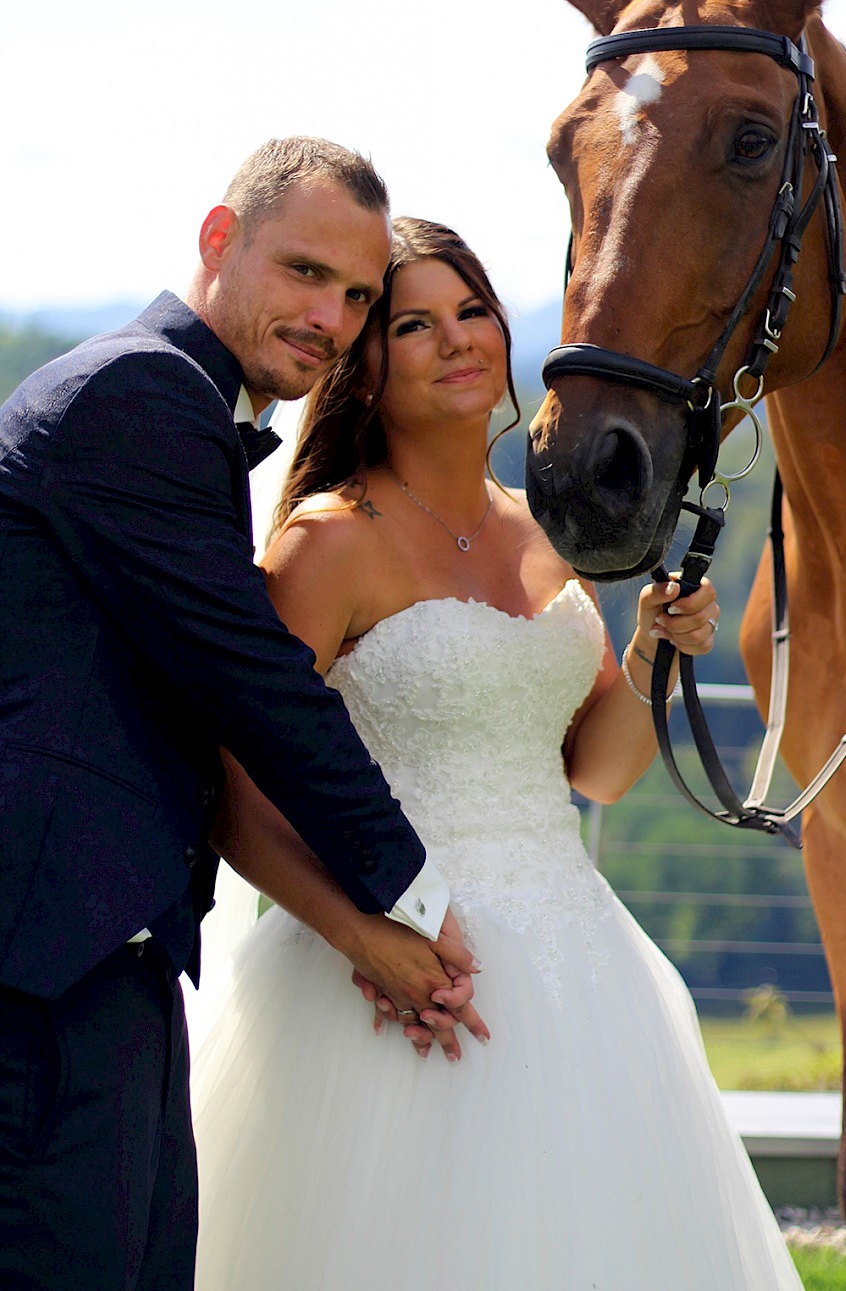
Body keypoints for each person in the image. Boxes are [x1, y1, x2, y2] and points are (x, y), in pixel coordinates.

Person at [190, 217, 804, 1289]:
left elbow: (597, 772)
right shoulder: (330, 540)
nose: (459, 339)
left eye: (471, 309)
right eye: (415, 323)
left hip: (579, 969)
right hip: (390, 976)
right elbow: (235, 791)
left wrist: (655, 644)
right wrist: (364, 940)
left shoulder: (547, 533)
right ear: (363, 367)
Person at [0, 147, 479, 1291]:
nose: (331, 317)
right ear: (219, 240)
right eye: (305, 271)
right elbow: (257, 684)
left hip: (114, 949)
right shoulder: (135, 395)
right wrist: (414, 897)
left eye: (358, 297)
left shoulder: (182, 405)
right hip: (38, 961)